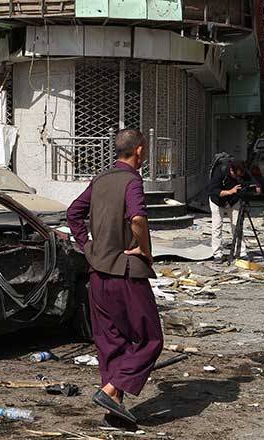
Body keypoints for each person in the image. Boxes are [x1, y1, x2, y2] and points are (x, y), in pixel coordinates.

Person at [66, 128, 162, 427]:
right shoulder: (132, 181)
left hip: (98, 273)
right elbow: (137, 218)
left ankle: (114, 413)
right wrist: (144, 250)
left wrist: (88, 247)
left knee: (111, 342)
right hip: (126, 273)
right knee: (149, 339)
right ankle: (110, 390)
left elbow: (72, 214)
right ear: (140, 151)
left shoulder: (101, 179)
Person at [205, 157, 261, 259]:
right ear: (231, 170)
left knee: (237, 226)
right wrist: (230, 191)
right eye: (236, 175)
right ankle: (217, 254)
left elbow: (255, 184)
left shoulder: (242, 170)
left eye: (241, 175)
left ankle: (241, 252)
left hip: (234, 201)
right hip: (217, 201)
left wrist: (255, 188)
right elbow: (213, 191)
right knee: (217, 227)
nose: (238, 178)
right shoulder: (220, 171)